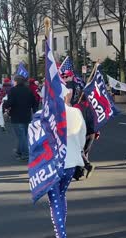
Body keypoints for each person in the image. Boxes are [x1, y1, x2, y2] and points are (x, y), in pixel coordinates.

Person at [46, 85, 86, 238]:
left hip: (53, 165)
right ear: (66, 96)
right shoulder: (76, 112)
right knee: (61, 196)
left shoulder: (44, 114)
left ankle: (61, 234)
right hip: (71, 163)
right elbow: (82, 138)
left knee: (54, 200)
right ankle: (61, 229)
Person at [3, 75, 38, 161]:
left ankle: (25, 154)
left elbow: (10, 103)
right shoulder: (28, 90)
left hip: (16, 116)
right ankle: (19, 151)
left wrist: (5, 104)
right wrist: (34, 111)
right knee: (24, 135)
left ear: (16, 81)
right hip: (26, 115)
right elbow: (34, 102)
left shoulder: (13, 90)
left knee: (21, 136)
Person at [73, 94, 97, 179]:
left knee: (79, 151)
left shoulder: (76, 107)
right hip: (91, 133)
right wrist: (97, 132)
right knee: (85, 152)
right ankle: (80, 172)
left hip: (81, 132)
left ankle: (86, 167)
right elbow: (96, 121)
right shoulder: (93, 108)